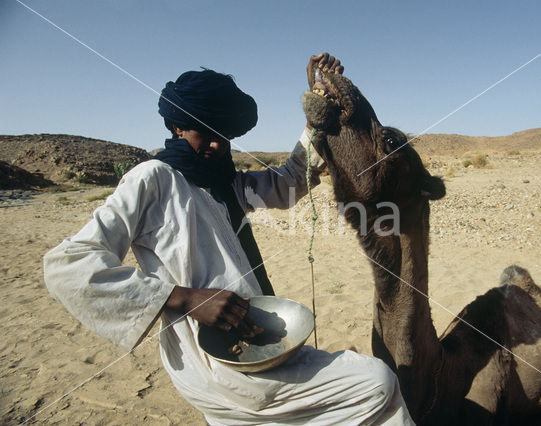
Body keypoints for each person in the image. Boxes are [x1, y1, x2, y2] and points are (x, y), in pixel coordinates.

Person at [43, 53, 413, 425]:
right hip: (210, 362)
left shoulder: (226, 181)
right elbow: (68, 266)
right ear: (178, 126)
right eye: (207, 132)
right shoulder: (152, 179)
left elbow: (288, 183)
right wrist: (184, 298)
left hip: (249, 339)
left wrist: (315, 108)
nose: (218, 145)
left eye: (226, 136)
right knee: (377, 382)